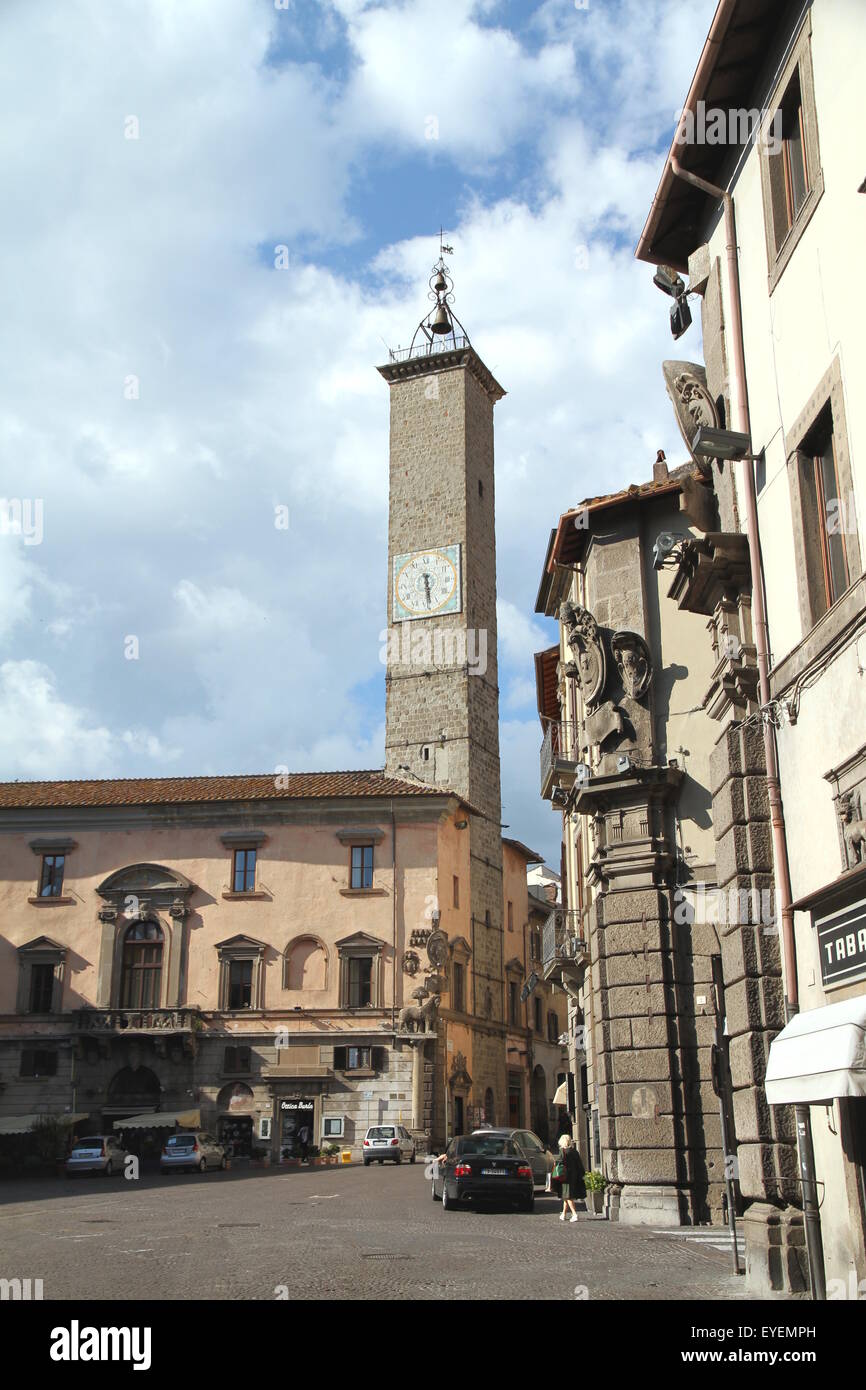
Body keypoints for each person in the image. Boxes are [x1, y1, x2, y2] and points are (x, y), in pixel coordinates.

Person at [556, 1133, 585, 1223]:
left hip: (565, 1177)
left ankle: (574, 1214)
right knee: (567, 1195)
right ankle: (563, 1214)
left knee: (568, 1196)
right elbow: (580, 1165)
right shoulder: (574, 1151)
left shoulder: (563, 1151)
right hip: (574, 1176)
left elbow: (559, 1163)